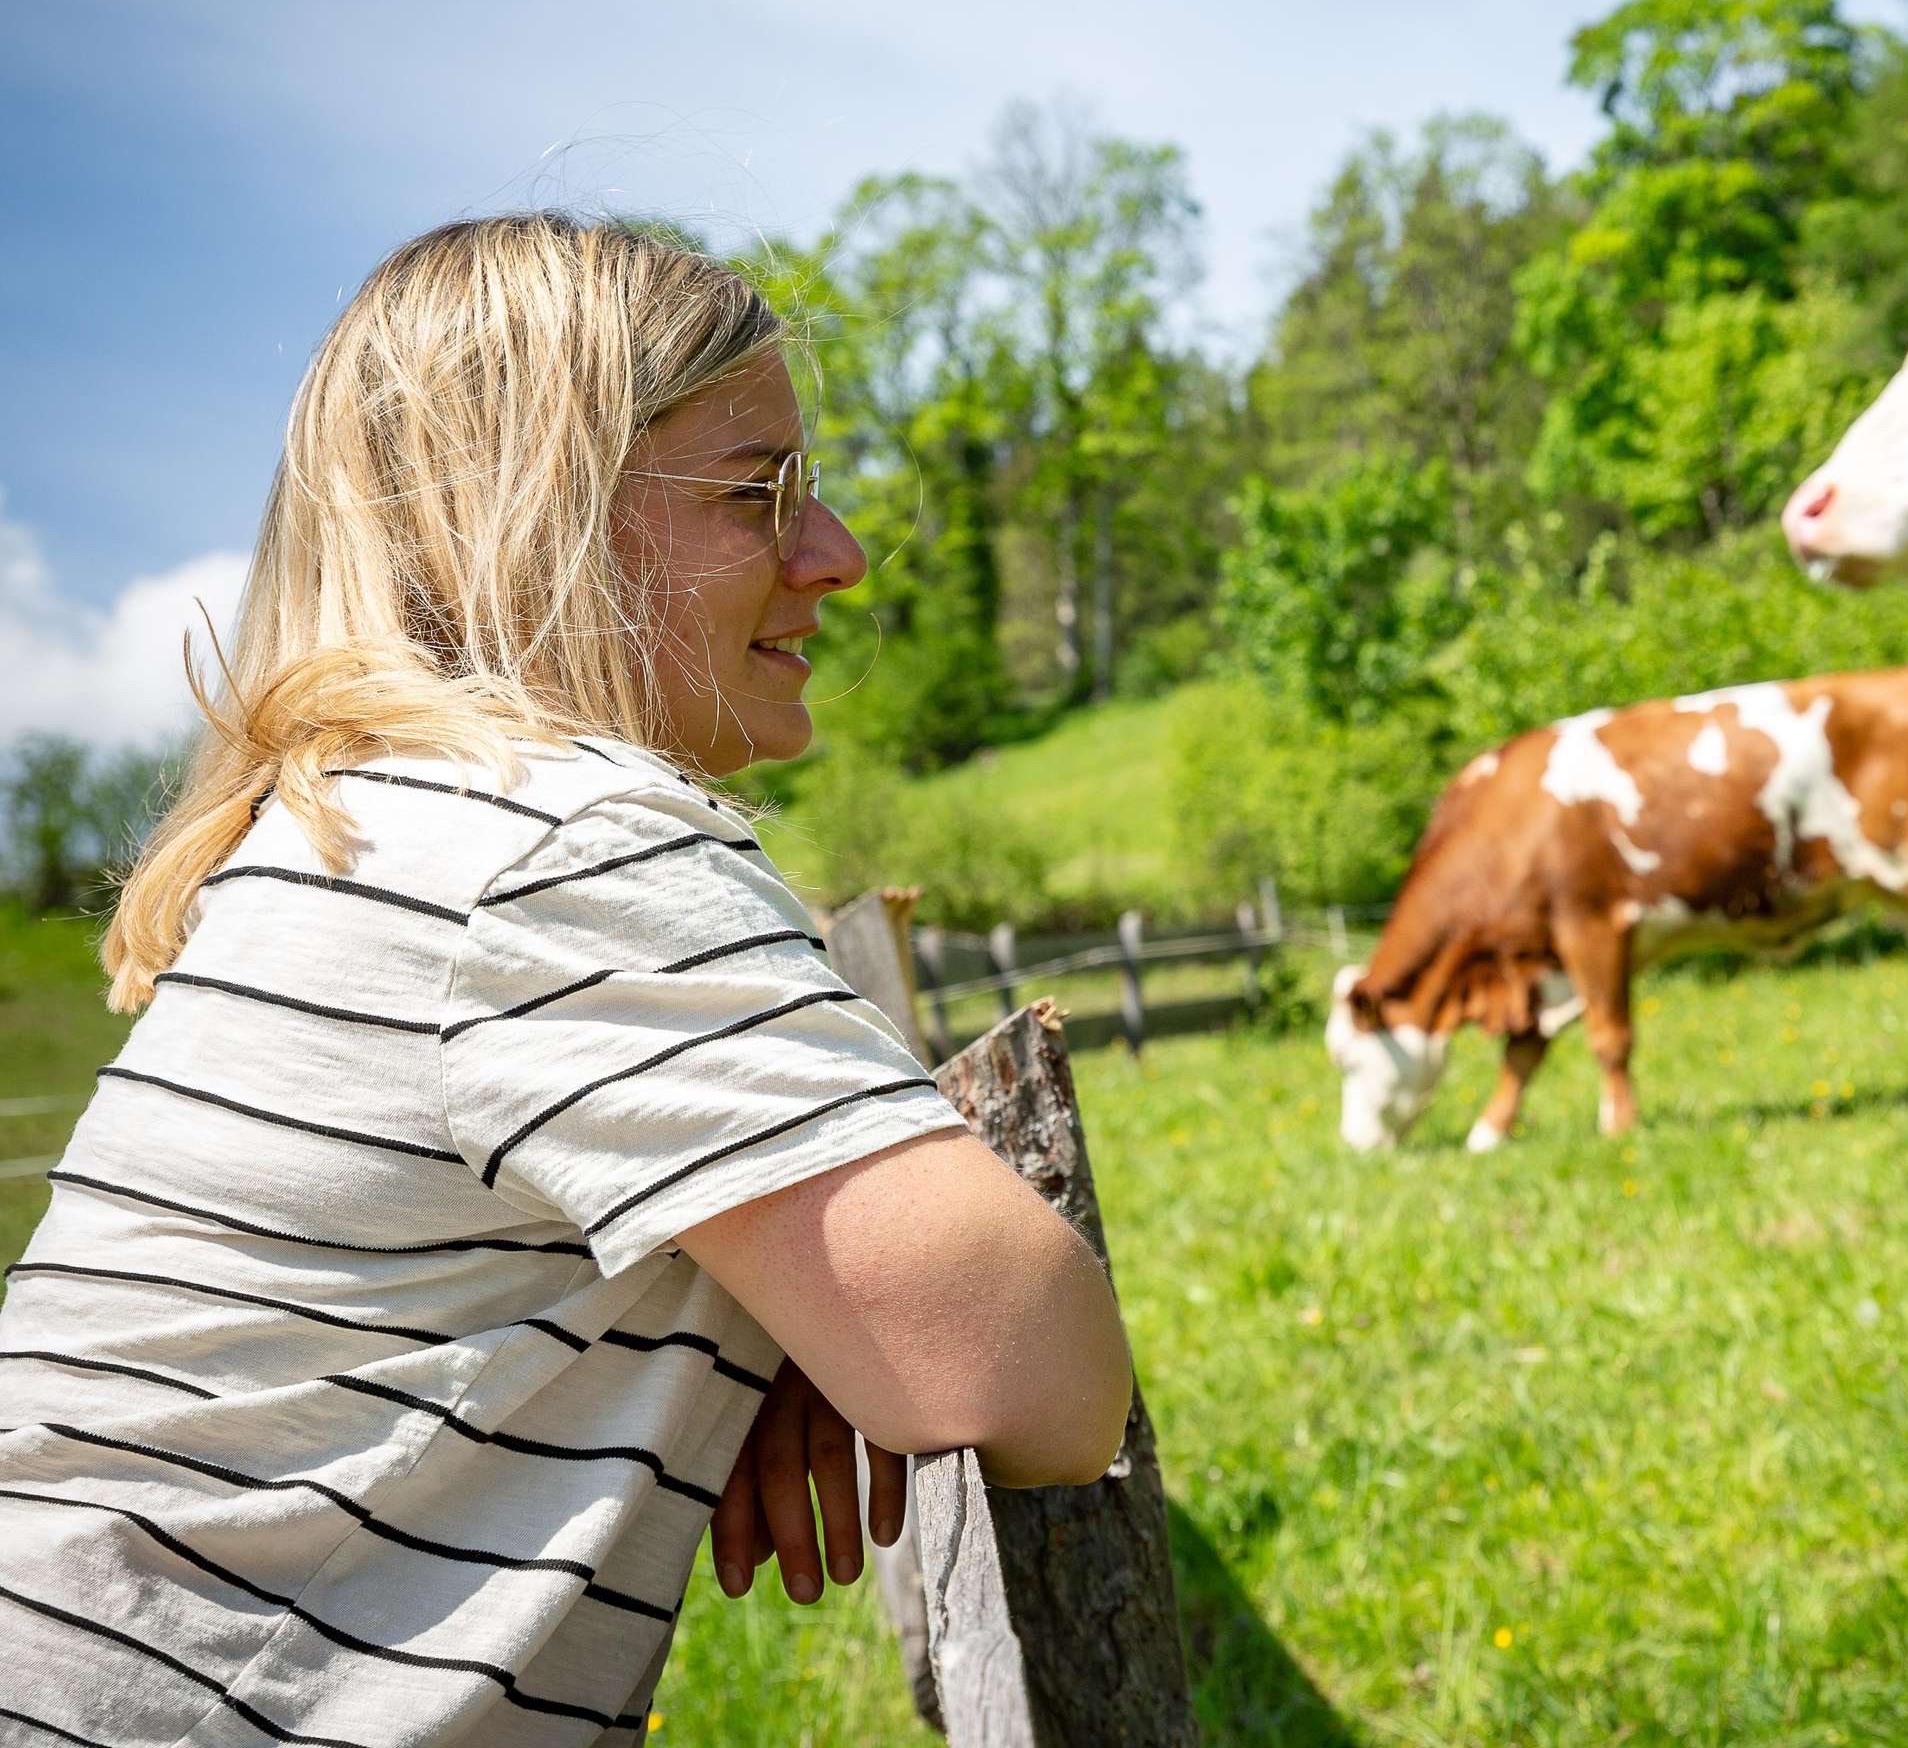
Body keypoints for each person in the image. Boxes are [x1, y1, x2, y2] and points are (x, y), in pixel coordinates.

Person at [0, 214, 1134, 1745]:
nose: (838, 554)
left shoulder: (366, 831)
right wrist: (851, 1302)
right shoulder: (551, 842)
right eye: (760, 494)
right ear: (533, 519)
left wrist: (787, 1294)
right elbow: (1038, 1378)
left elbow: (929, 1345)